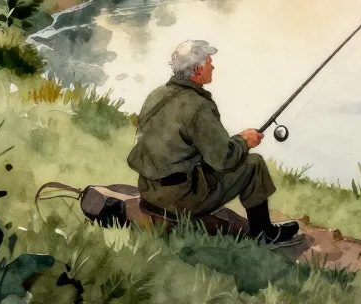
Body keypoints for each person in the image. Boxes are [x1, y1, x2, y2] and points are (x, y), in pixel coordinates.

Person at [127, 39, 301, 246]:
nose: (213, 67)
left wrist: (236, 141)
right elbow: (224, 160)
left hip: (149, 192)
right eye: (209, 62)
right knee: (253, 164)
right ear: (198, 69)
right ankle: (264, 234)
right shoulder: (198, 106)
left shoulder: (156, 94)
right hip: (178, 201)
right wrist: (245, 141)